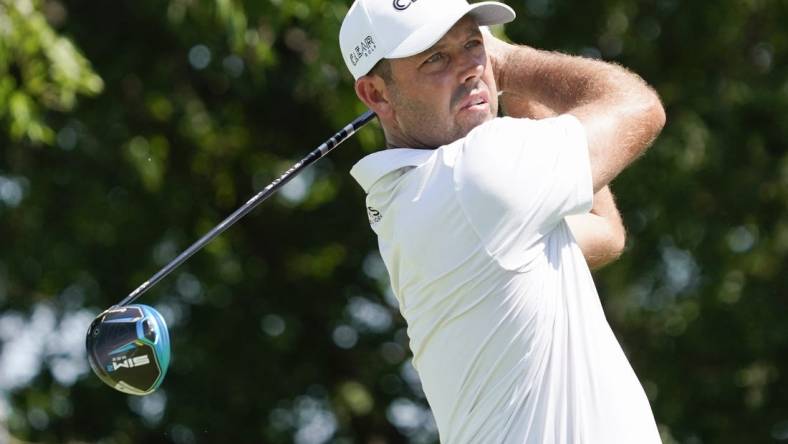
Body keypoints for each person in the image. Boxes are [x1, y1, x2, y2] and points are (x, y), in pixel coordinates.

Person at [339, 0, 666, 442]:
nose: (472, 67)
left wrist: (501, 86)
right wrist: (508, 63)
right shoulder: (472, 174)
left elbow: (603, 231)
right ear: (376, 94)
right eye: (435, 57)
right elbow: (638, 105)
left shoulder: (415, 197)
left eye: (473, 43)